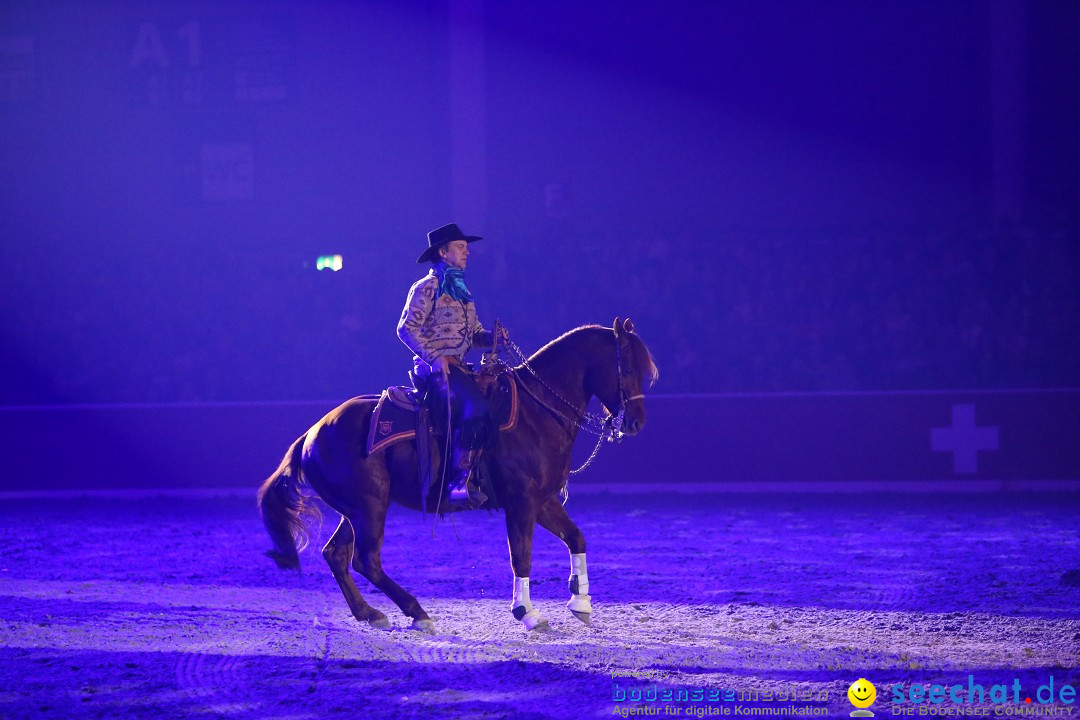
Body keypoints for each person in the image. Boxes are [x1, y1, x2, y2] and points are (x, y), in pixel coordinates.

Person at [397, 223, 508, 507]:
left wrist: (491, 337)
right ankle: (460, 478)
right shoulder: (425, 288)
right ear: (443, 252)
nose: (467, 253)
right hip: (435, 371)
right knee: (477, 407)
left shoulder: (461, 290)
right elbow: (406, 328)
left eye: (466, 248)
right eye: (461, 248)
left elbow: (474, 334)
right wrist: (435, 357)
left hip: (459, 368)